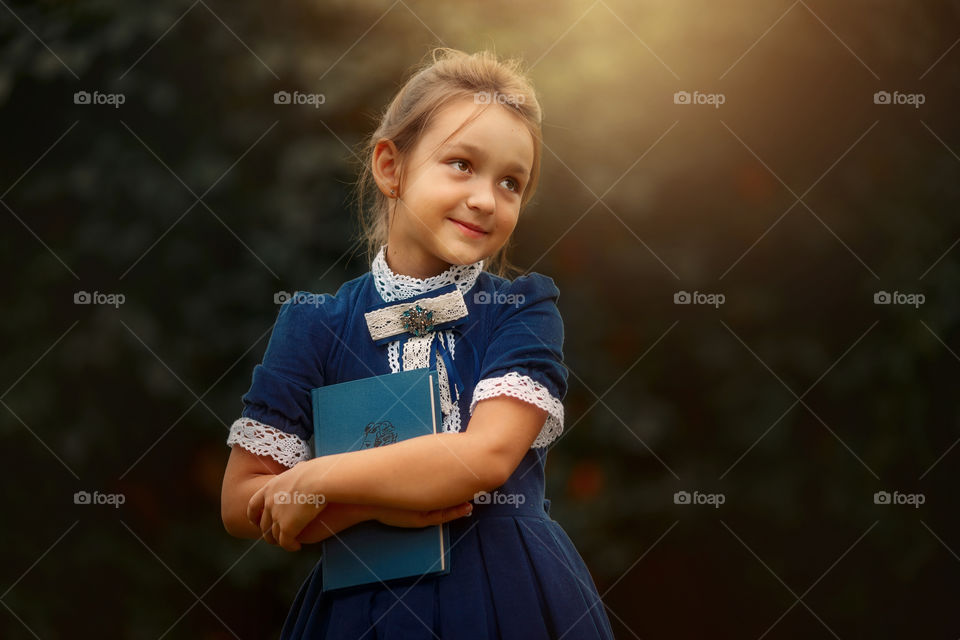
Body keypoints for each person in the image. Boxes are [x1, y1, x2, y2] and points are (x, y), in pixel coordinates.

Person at [221, 46, 616, 640]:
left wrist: (319, 484)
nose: (486, 197)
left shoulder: (521, 309)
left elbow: (481, 460)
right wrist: (370, 508)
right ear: (391, 167)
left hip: (510, 605)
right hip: (361, 617)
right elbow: (239, 501)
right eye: (462, 163)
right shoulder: (314, 325)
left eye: (511, 182)